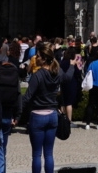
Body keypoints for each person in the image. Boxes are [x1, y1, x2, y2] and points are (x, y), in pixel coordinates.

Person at [22, 43, 62, 173]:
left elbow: (27, 96)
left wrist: (17, 113)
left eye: (38, 56)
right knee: (49, 153)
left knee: (37, 154)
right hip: (52, 114)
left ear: (44, 59)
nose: (35, 58)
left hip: (38, 115)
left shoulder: (38, 75)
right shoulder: (56, 73)